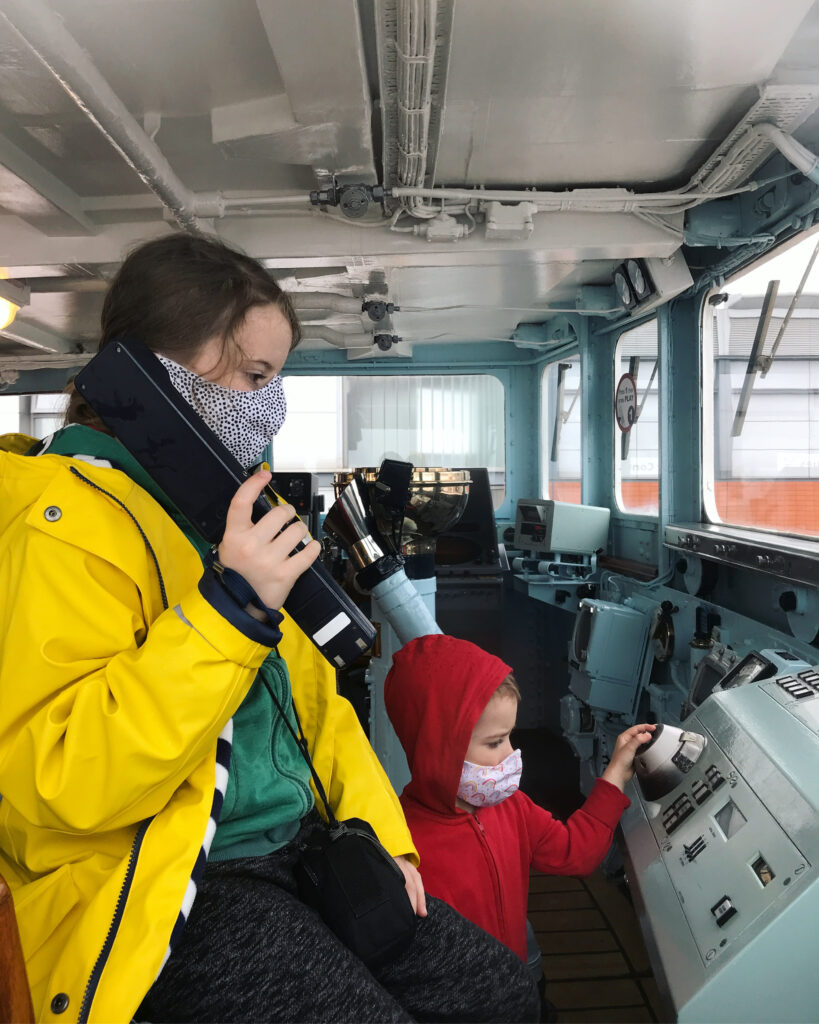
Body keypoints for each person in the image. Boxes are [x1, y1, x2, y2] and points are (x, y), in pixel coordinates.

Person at [0, 234, 539, 1024]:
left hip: (307, 843)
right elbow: (59, 784)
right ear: (148, 374)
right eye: (255, 377)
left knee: (501, 997)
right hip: (174, 879)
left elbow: (319, 708)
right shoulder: (54, 529)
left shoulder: (225, 517)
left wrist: (383, 834)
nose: (270, 404)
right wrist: (229, 612)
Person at [384, 633, 655, 963]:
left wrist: (615, 774)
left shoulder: (512, 808)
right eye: (495, 742)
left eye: (510, 736)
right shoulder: (400, 843)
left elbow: (576, 853)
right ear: (438, 748)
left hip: (515, 980)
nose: (512, 754)